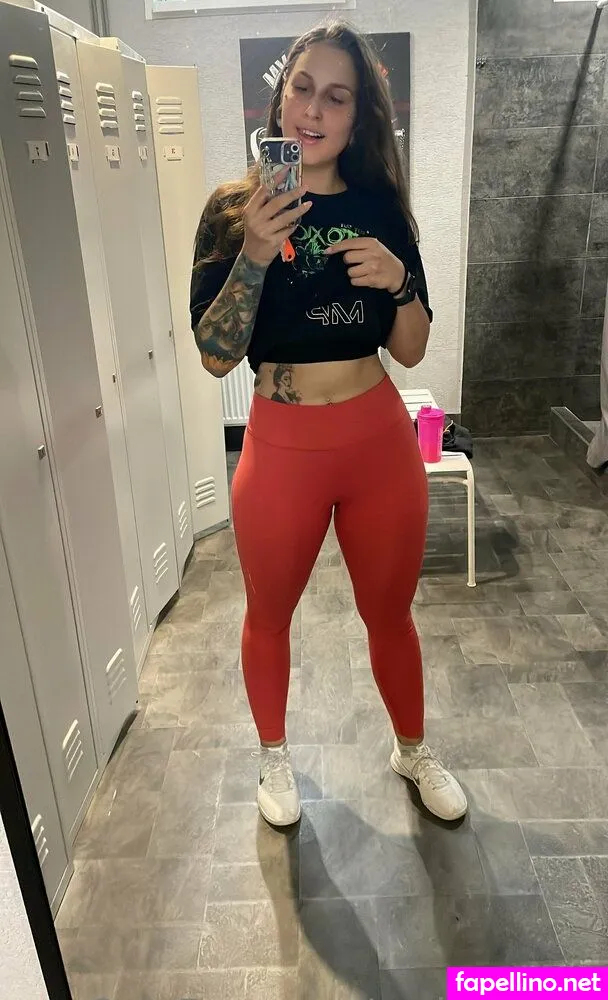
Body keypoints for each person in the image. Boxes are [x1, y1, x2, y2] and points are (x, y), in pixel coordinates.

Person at [190, 22, 467, 827]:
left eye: (336, 97)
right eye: (303, 88)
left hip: (377, 441)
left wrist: (401, 283)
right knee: (268, 613)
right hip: (281, 445)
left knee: (390, 613)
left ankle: (411, 748)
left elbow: (410, 349)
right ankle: (275, 758)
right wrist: (253, 252)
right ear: (281, 97)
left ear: (357, 116)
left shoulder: (380, 207)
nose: (313, 109)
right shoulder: (232, 211)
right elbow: (214, 356)